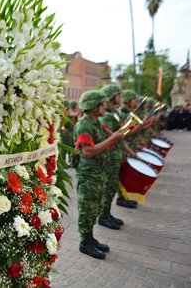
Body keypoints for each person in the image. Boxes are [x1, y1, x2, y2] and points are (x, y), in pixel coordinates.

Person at [73, 90, 123, 259]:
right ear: (93, 106)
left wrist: (115, 137)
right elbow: (87, 152)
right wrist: (112, 139)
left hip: (99, 172)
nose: (104, 106)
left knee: (95, 207)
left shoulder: (95, 123)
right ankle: (84, 242)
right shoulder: (84, 125)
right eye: (101, 104)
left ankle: (90, 238)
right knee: (87, 208)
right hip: (89, 173)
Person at [98, 84, 126, 230]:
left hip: (115, 156)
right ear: (111, 96)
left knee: (112, 186)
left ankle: (107, 213)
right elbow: (107, 137)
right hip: (109, 158)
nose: (120, 97)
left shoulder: (113, 113)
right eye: (118, 94)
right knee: (108, 187)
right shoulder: (107, 116)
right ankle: (103, 216)